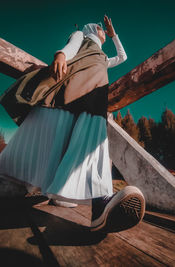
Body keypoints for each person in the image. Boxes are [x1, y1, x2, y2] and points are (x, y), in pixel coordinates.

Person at [0, 15, 145, 232]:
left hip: (93, 100)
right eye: (102, 30)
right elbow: (71, 46)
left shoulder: (104, 57)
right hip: (71, 90)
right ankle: (91, 201)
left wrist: (114, 36)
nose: (104, 32)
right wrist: (60, 55)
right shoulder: (83, 36)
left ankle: (100, 204)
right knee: (55, 137)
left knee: (88, 142)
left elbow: (123, 57)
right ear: (93, 29)